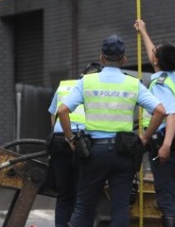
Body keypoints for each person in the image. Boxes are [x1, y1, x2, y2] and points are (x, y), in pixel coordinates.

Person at [57, 34, 165, 227]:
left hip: (93, 153)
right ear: (124, 59)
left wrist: (71, 139)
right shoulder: (133, 84)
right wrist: (145, 138)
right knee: (120, 208)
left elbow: (63, 110)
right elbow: (160, 111)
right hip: (123, 154)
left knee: (83, 207)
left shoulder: (87, 82)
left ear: (101, 58)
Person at [134, 18, 175, 227]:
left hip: (163, 146)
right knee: (172, 199)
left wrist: (162, 145)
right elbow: (153, 56)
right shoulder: (172, 76)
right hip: (174, 144)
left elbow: (171, 114)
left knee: (166, 201)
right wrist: (144, 32)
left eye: (156, 51)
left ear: (157, 61)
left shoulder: (160, 84)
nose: (153, 52)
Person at [47, 61, 102, 227]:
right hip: (83, 143)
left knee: (64, 195)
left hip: (59, 141)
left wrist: (65, 136)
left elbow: (53, 116)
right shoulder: (96, 88)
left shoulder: (64, 85)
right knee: (82, 196)